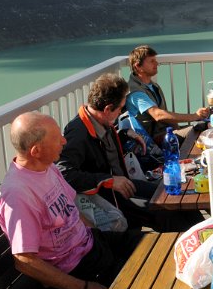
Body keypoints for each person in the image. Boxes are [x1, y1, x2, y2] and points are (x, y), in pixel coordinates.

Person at [0, 112, 143, 289]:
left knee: (156, 246)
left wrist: (93, 232)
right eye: (57, 139)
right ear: (36, 151)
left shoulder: (48, 168)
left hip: (92, 243)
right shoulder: (18, 195)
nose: (64, 141)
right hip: (77, 270)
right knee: (145, 280)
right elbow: (24, 260)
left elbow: (71, 206)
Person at [58, 73, 156, 229]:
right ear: (108, 109)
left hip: (124, 186)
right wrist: (107, 180)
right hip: (111, 200)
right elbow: (64, 173)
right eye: (120, 109)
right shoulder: (77, 133)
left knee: (167, 193)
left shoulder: (99, 119)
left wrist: (124, 135)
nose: (121, 112)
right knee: (168, 212)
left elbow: (100, 147)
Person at [126, 44, 210, 144]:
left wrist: (179, 128)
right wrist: (195, 116)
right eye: (152, 61)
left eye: (155, 60)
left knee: (204, 125)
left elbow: (164, 115)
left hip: (166, 131)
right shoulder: (136, 92)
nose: (156, 64)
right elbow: (158, 115)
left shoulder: (152, 85)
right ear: (138, 66)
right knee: (202, 130)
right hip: (154, 139)